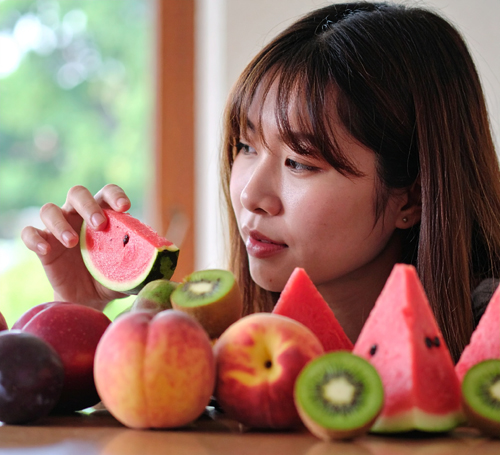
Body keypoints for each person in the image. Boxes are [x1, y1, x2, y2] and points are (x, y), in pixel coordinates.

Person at [21, 2, 500, 362]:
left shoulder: (490, 345)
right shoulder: (213, 345)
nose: (250, 195)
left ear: (411, 197)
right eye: (246, 147)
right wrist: (83, 315)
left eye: (299, 162)